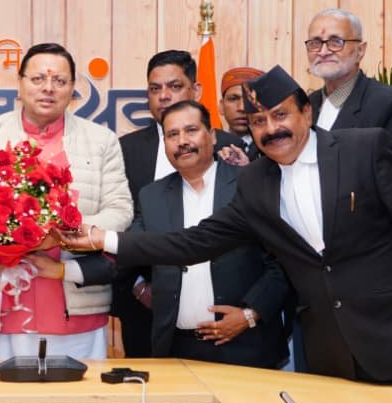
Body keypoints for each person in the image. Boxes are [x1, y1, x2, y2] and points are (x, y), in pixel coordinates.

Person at [64, 65, 392, 390]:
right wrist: (104, 238)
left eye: (280, 115)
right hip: (330, 354)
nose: (271, 129)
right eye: (259, 121)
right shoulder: (256, 182)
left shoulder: (364, 149)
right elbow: (195, 241)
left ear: (307, 111)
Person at [51, 101, 289, 368]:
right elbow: (129, 254)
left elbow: (283, 263)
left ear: (212, 136)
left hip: (247, 344)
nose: (182, 141)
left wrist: (250, 314)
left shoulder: (250, 184)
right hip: (176, 348)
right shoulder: (152, 196)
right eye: (172, 134)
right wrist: (62, 270)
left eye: (191, 130)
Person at [0, 43, 132, 361]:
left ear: (72, 89)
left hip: (76, 309)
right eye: (38, 79)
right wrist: (4, 234)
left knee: (82, 393)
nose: (48, 88)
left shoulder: (101, 141)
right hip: (0, 304)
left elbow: (120, 211)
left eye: (59, 81)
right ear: (20, 83)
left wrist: (61, 234)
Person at [116, 50, 237, 357]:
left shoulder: (231, 150)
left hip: (230, 319)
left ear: (196, 90)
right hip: (146, 312)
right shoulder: (125, 149)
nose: (164, 96)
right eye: (155, 89)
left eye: (174, 86)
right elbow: (126, 228)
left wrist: (251, 312)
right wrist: (138, 285)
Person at [305, 8, 392, 181]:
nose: (323, 52)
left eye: (336, 42)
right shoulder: (306, 105)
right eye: (315, 43)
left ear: (360, 51)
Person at [220, 66, 264, 159]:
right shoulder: (209, 148)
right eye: (233, 98)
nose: (242, 108)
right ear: (221, 106)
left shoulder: (275, 149)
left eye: (250, 99)